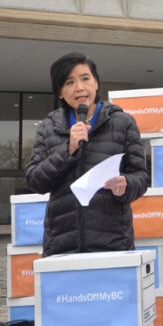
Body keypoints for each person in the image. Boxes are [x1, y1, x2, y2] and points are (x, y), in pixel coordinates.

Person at [26, 52, 150, 256]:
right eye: (69, 82)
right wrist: (68, 149)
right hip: (62, 245)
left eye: (85, 78)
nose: (79, 88)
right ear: (59, 92)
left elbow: (141, 177)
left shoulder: (123, 123)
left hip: (113, 243)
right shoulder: (48, 128)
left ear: (96, 83)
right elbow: (35, 181)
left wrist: (126, 184)